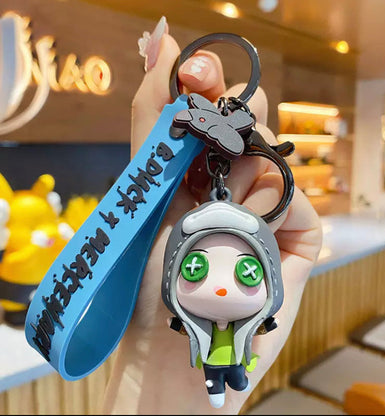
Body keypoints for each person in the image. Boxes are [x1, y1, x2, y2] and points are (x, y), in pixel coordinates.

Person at [102, 17, 322, 415]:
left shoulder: (242, 325)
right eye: (196, 268)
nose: (220, 288)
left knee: (232, 369)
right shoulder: (192, 323)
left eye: (247, 273)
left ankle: (228, 380)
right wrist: (148, 375)